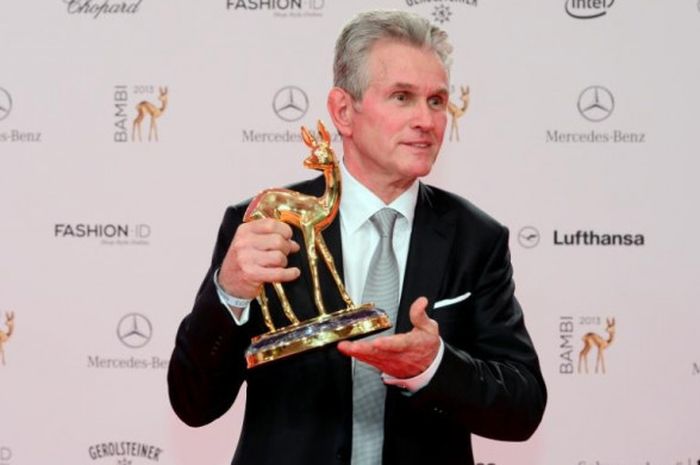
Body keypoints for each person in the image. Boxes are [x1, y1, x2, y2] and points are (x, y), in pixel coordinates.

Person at [168, 9, 546, 465]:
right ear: (343, 111)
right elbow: (193, 404)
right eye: (402, 97)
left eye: (437, 101)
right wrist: (227, 293)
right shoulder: (265, 224)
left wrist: (434, 366)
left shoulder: (475, 239)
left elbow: (523, 407)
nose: (426, 120)